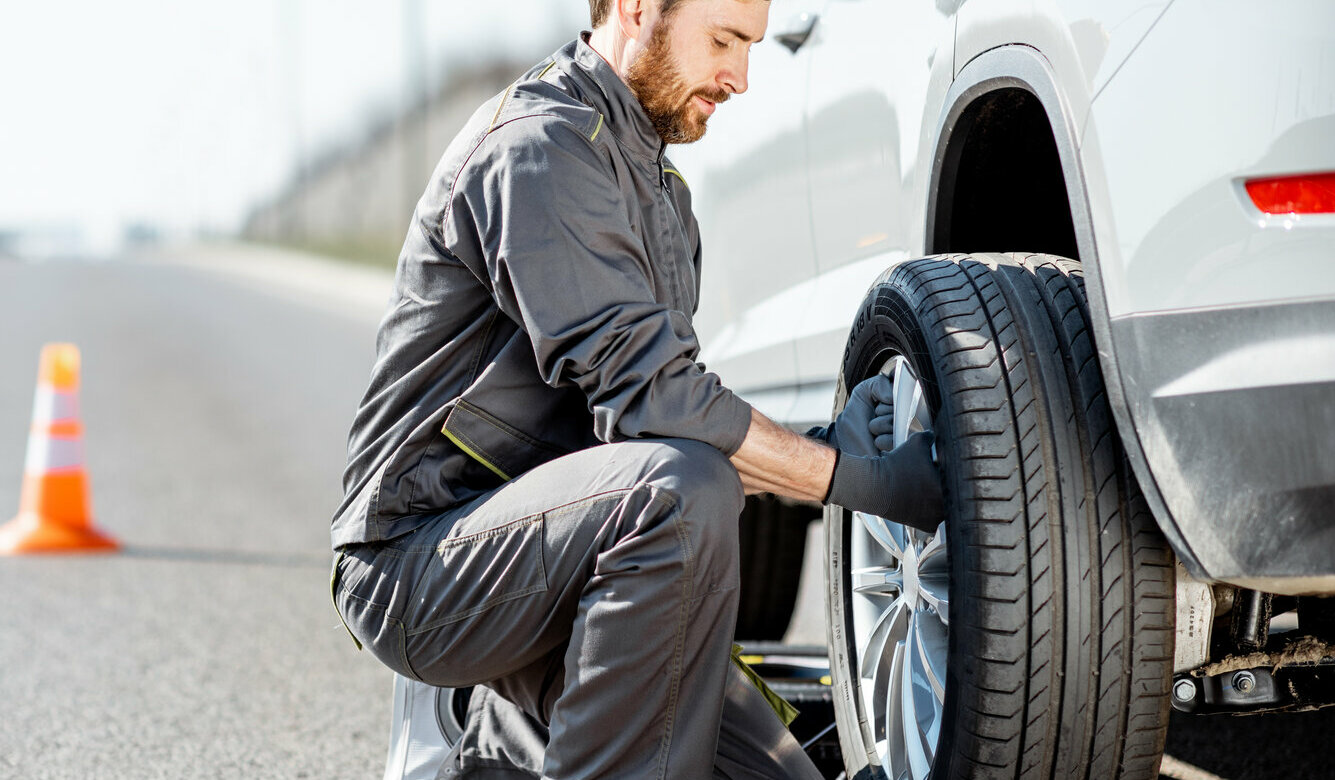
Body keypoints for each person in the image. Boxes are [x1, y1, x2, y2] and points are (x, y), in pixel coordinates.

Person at [330, 1, 944, 777]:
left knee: (775, 774)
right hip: (421, 565)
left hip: (551, 552)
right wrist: (851, 478)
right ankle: (474, 709)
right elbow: (658, 412)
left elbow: (668, 426)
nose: (741, 77)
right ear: (633, 8)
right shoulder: (537, 149)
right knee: (676, 494)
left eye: (750, 47)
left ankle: (490, 748)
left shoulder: (660, 193)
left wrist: (824, 454)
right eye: (722, 41)